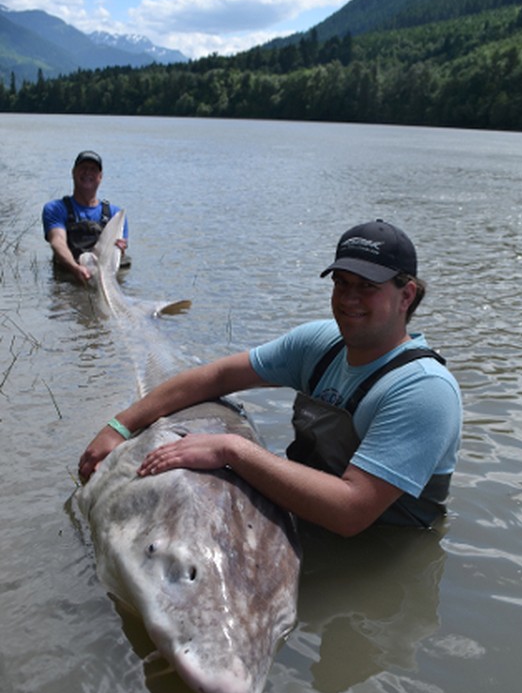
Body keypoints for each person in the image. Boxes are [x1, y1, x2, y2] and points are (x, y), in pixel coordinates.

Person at [78, 220, 462, 536]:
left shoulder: (424, 390)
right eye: (341, 283)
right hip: (306, 520)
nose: (348, 299)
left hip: (380, 553)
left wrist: (232, 449)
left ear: (406, 295)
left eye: (367, 287)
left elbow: (351, 511)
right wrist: (120, 425)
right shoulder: (320, 344)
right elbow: (217, 376)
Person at [42, 150, 129, 283]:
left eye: (93, 169)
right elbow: (57, 241)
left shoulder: (115, 215)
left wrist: (120, 248)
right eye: (83, 168)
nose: (88, 172)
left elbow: (119, 251)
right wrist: (75, 267)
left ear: (100, 177)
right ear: (73, 172)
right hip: (70, 274)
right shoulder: (55, 208)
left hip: (104, 277)